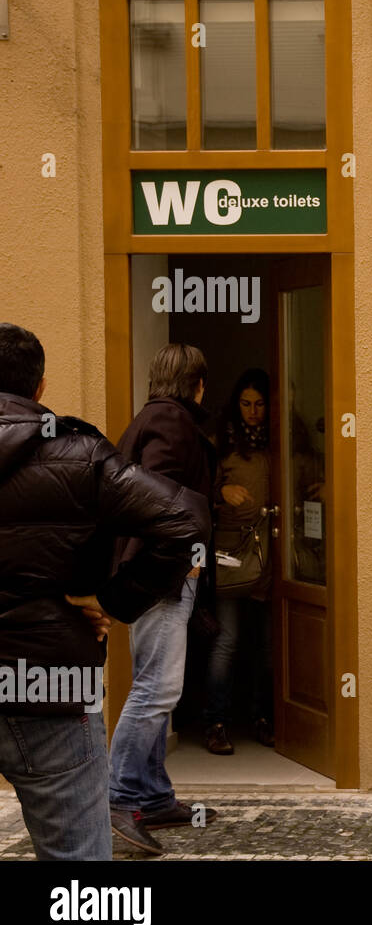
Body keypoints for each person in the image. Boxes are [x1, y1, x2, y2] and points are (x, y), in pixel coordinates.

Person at [0, 323, 208, 860]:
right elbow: (185, 519)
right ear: (40, 387)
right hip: (48, 684)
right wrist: (112, 599)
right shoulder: (79, 453)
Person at [107, 343, 219, 855]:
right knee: (156, 690)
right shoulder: (172, 423)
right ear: (196, 384)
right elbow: (158, 493)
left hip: (153, 571)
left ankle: (151, 797)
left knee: (154, 687)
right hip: (164, 574)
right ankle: (115, 798)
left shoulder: (152, 417)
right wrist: (185, 553)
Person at [204, 368, 274, 754]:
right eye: (246, 404)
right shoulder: (222, 444)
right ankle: (216, 722)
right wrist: (221, 491)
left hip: (271, 553)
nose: (253, 411)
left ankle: (265, 717)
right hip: (230, 552)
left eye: (260, 404)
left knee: (268, 644)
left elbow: (309, 468)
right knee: (226, 641)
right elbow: (199, 488)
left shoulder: (282, 441)